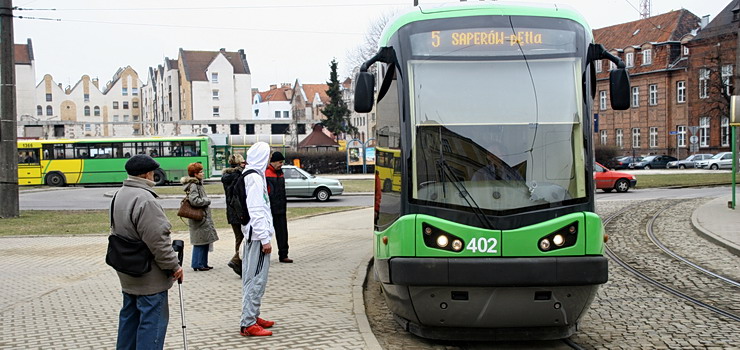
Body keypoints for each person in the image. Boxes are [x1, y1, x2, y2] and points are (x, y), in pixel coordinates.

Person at [112, 154, 184, 350]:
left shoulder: (120, 194)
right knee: (152, 323)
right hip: (148, 274)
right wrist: (173, 266)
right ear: (147, 174)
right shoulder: (145, 199)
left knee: (129, 319)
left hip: (127, 268)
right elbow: (158, 241)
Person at [240, 142, 276, 337]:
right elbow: (256, 210)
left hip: (253, 235)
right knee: (256, 280)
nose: (270, 158)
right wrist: (265, 239)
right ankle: (248, 322)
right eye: (268, 154)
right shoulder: (254, 178)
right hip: (256, 237)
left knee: (252, 278)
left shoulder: (251, 174)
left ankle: (253, 315)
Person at [180, 162, 219, 271]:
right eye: (200, 172)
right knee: (199, 242)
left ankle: (203, 263)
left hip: (202, 217)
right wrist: (206, 201)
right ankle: (197, 263)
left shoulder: (198, 184)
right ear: (195, 174)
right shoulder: (194, 185)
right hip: (199, 217)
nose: (202, 173)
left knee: (204, 240)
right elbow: (194, 200)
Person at [222, 153, 247, 276]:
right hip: (238, 210)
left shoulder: (226, 176)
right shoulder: (238, 176)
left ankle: (239, 262)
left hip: (231, 211)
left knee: (238, 237)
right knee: (243, 238)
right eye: (242, 162)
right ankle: (237, 260)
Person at [266, 151, 292, 263]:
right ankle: (263, 255)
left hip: (280, 208)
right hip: (269, 208)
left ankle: (283, 254)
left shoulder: (280, 173)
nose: (281, 164)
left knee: (282, 232)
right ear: (273, 162)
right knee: (265, 233)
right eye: (280, 162)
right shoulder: (266, 173)